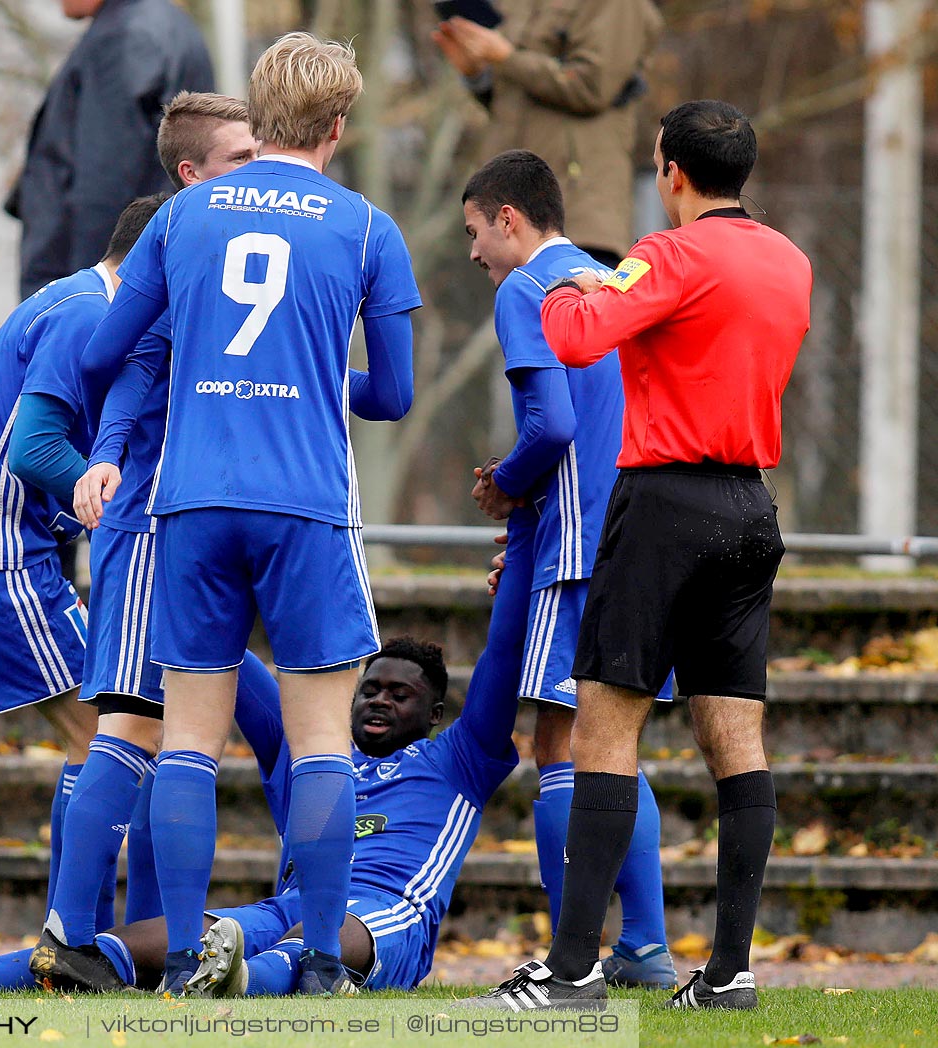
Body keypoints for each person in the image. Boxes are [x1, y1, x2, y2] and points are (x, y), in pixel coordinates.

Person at [72, 33, 421, 995]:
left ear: (257, 115)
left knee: (187, 735)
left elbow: (103, 355)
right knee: (319, 741)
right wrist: (309, 375)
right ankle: (316, 962)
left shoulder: (181, 215)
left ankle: (183, 959)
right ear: (338, 126)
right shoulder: (362, 227)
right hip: (306, 502)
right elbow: (392, 395)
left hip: (192, 499)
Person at [472, 100, 811, 1012]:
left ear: (672, 174)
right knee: (735, 739)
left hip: (664, 503)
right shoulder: (789, 257)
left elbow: (579, 335)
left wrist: (559, 280)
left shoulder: (664, 254)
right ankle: (730, 972)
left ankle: (574, 970)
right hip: (750, 506)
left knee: (604, 731)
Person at [0, 622, 530, 995]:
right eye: (369, 687)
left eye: (399, 694)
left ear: (434, 713)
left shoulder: (459, 760)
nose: (378, 699)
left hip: (386, 916)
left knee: (309, 946)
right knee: (143, 943)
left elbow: (502, 662)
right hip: (287, 902)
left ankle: (235, 981)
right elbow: (229, 652)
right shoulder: (313, 754)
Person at [5, 92, 282, 992]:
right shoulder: (168, 250)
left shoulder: (226, 251)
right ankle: (67, 933)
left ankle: (143, 943)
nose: (257, 168)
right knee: (131, 725)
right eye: (241, 156)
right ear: (190, 176)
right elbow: (117, 369)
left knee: (175, 736)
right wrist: (111, 458)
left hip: (206, 522)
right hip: (151, 524)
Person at [0, 197, 167, 931]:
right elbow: (31, 450)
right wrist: (107, 499)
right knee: (114, 736)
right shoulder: (90, 313)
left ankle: (79, 934)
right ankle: (79, 941)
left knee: (98, 738)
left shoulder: (76, 297)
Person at [459, 148, 674, 989]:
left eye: (476, 231)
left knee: (559, 744)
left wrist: (504, 488)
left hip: (581, 548)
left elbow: (549, 425)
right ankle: (645, 949)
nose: (474, 252)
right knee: (613, 744)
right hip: (642, 532)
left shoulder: (526, 288)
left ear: (510, 218)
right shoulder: (616, 280)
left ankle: (568, 959)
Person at [5, 0, 214, 298]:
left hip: (94, 276)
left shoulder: (122, 37)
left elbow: (105, 180)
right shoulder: (171, 24)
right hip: (148, 264)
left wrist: (87, 293)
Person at [433, 0, 663, 266]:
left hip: (578, 216)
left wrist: (507, 57)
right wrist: (477, 74)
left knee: (571, 306)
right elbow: (514, 97)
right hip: (513, 218)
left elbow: (593, 86)